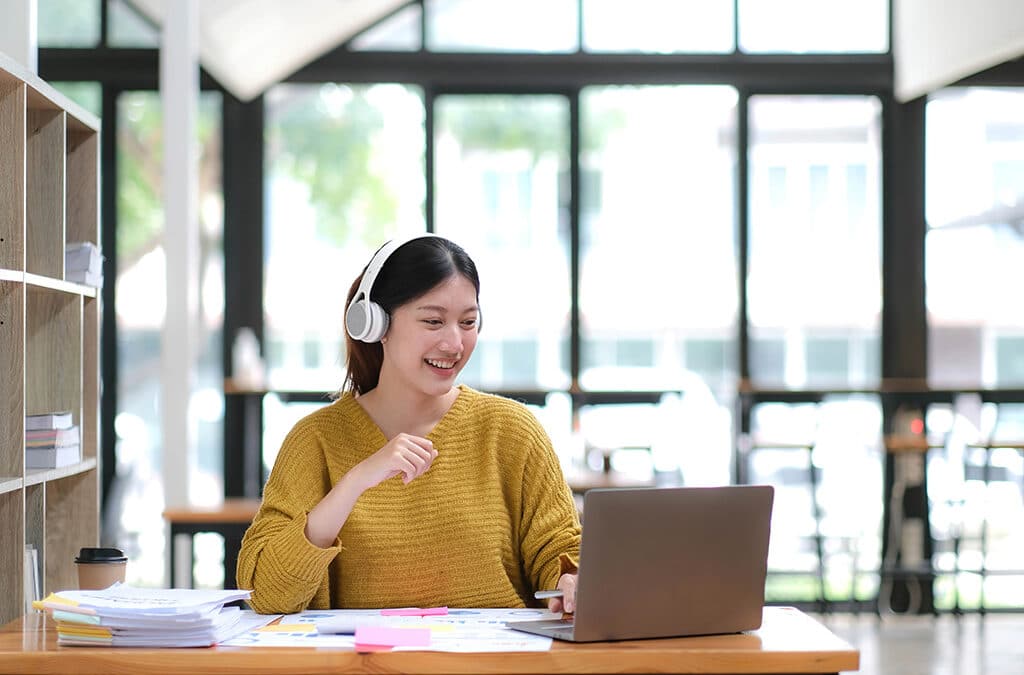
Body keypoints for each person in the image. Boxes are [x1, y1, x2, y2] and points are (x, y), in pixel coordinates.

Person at [237, 234, 581, 615]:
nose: (454, 343)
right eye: (433, 321)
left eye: (468, 322)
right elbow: (265, 594)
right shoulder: (315, 440)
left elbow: (560, 551)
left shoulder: (512, 431)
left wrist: (570, 582)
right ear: (375, 324)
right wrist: (356, 481)